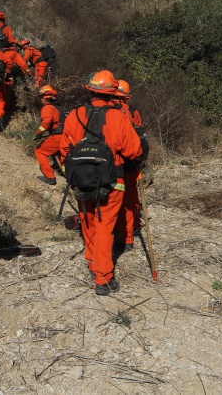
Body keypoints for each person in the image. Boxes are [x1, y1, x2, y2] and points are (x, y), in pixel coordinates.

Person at [59, 70, 142, 296]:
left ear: (90, 90)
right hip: (112, 181)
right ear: (112, 93)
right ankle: (103, 278)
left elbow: (64, 150)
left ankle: (92, 262)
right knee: (105, 226)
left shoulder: (74, 115)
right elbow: (134, 150)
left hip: (81, 181)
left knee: (88, 223)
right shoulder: (118, 117)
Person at [113, 80, 145, 254]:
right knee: (132, 200)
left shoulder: (115, 112)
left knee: (122, 202)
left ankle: (126, 237)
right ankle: (134, 228)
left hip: (120, 164)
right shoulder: (132, 112)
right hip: (133, 162)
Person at [33, 85, 62, 185]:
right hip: (65, 136)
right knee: (61, 156)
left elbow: (47, 122)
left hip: (57, 136)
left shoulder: (47, 108)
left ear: (45, 99)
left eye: (41, 98)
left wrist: (39, 133)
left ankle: (50, 177)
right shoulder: (57, 108)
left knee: (39, 151)